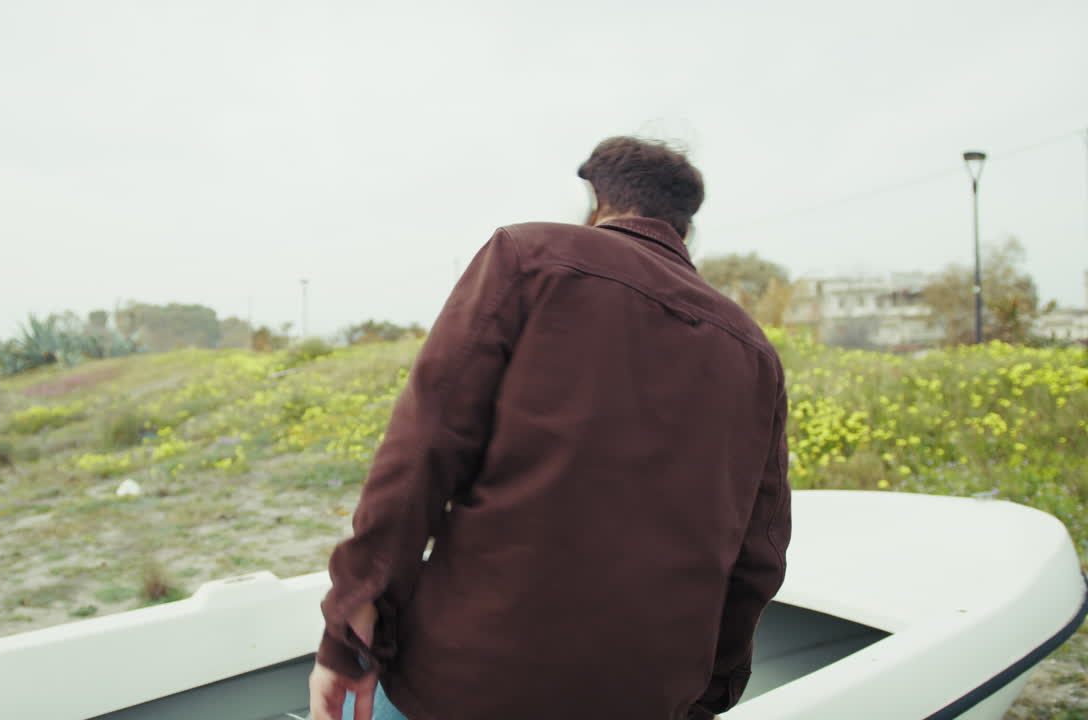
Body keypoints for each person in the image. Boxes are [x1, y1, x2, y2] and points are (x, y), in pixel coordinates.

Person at [309, 136, 791, 720]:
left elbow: (422, 454)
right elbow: (758, 558)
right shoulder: (754, 352)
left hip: (464, 683)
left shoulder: (529, 257)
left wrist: (348, 638)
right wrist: (702, 700)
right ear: (684, 228)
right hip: (643, 697)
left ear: (595, 200)